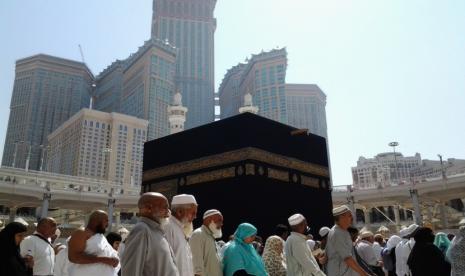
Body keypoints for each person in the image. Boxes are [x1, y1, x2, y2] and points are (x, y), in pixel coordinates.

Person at [121, 192, 178, 276]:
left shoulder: (158, 230)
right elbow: (130, 271)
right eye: (165, 208)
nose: (168, 213)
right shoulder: (142, 230)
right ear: (149, 208)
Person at [68, 210, 120, 276]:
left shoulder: (101, 236)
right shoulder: (81, 233)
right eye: (106, 221)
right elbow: (74, 257)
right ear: (96, 221)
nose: (108, 224)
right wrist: (104, 260)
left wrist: (115, 260)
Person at [326, 205, 372, 276]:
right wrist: (364, 274)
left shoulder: (342, 231)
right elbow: (347, 258)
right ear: (342, 217)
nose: (352, 218)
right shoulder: (337, 233)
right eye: (349, 216)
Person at [164, 194, 198, 276]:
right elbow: (165, 263)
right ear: (179, 212)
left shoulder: (181, 228)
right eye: (193, 213)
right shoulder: (168, 227)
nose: (195, 217)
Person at [189, 209, 224, 276]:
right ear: (209, 220)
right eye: (219, 220)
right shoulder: (198, 235)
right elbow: (197, 268)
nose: (221, 224)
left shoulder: (211, 237)